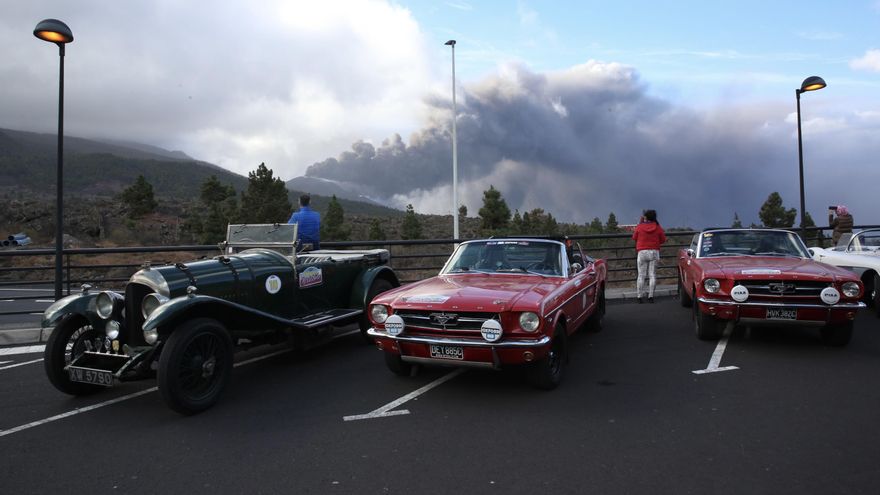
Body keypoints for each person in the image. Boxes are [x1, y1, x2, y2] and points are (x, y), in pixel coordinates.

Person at [632, 209, 667, 303]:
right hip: (654, 253)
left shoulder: (640, 227)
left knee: (641, 276)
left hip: (642, 252)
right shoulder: (657, 227)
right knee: (652, 275)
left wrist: (640, 223)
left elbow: (634, 237)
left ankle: (639, 296)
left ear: (646, 217)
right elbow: (663, 240)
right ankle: (651, 296)